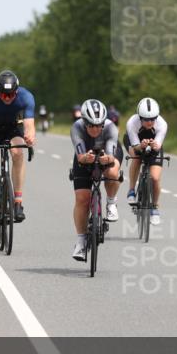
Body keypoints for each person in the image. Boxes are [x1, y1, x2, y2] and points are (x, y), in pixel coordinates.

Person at [0, 70, 36, 226]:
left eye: (11, 95)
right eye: (3, 95)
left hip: (13, 128)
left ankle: (18, 201)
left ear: (17, 91)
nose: (7, 98)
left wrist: (30, 136)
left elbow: (29, 125)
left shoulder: (26, 97)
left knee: (17, 153)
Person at [69, 99, 122, 260]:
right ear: (84, 122)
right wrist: (86, 158)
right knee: (82, 199)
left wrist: (107, 159)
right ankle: (81, 241)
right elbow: (80, 156)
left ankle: (111, 202)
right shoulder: (76, 128)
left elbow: (111, 155)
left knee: (112, 173)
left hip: (107, 151)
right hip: (85, 155)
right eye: (91, 125)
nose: (95, 129)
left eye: (99, 125)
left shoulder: (111, 128)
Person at [124, 97, 168, 225]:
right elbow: (136, 146)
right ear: (139, 117)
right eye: (146, 119)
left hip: (154, 143)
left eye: (152, 119)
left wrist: (154, 145)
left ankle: (154, 207)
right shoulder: (132, 123)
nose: (149, 122)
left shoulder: (162, 124)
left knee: (154, 178)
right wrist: (141, 146)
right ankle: (131, 190)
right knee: (136, 158)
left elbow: (158, 146)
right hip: (135, 141)